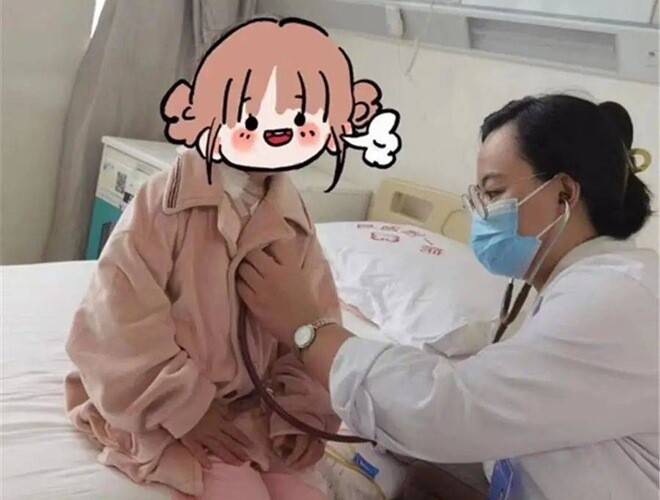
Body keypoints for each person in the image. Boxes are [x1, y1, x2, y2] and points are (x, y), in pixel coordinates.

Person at [237, 94, 659, 499]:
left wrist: (310, 330)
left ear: (564, 194)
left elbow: (451, 409)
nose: (480, 214)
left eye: (493, 193)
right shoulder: (584, 290)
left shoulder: (617, 298)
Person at [64, 17, 398, 499]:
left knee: (304, 492)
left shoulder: (292, 220)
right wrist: (185, 406)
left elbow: (314, 321)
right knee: (236, 488)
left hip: (257, 410)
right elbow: (117, 316)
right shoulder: (164, 201)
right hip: (166, 406)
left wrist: (301, 413)